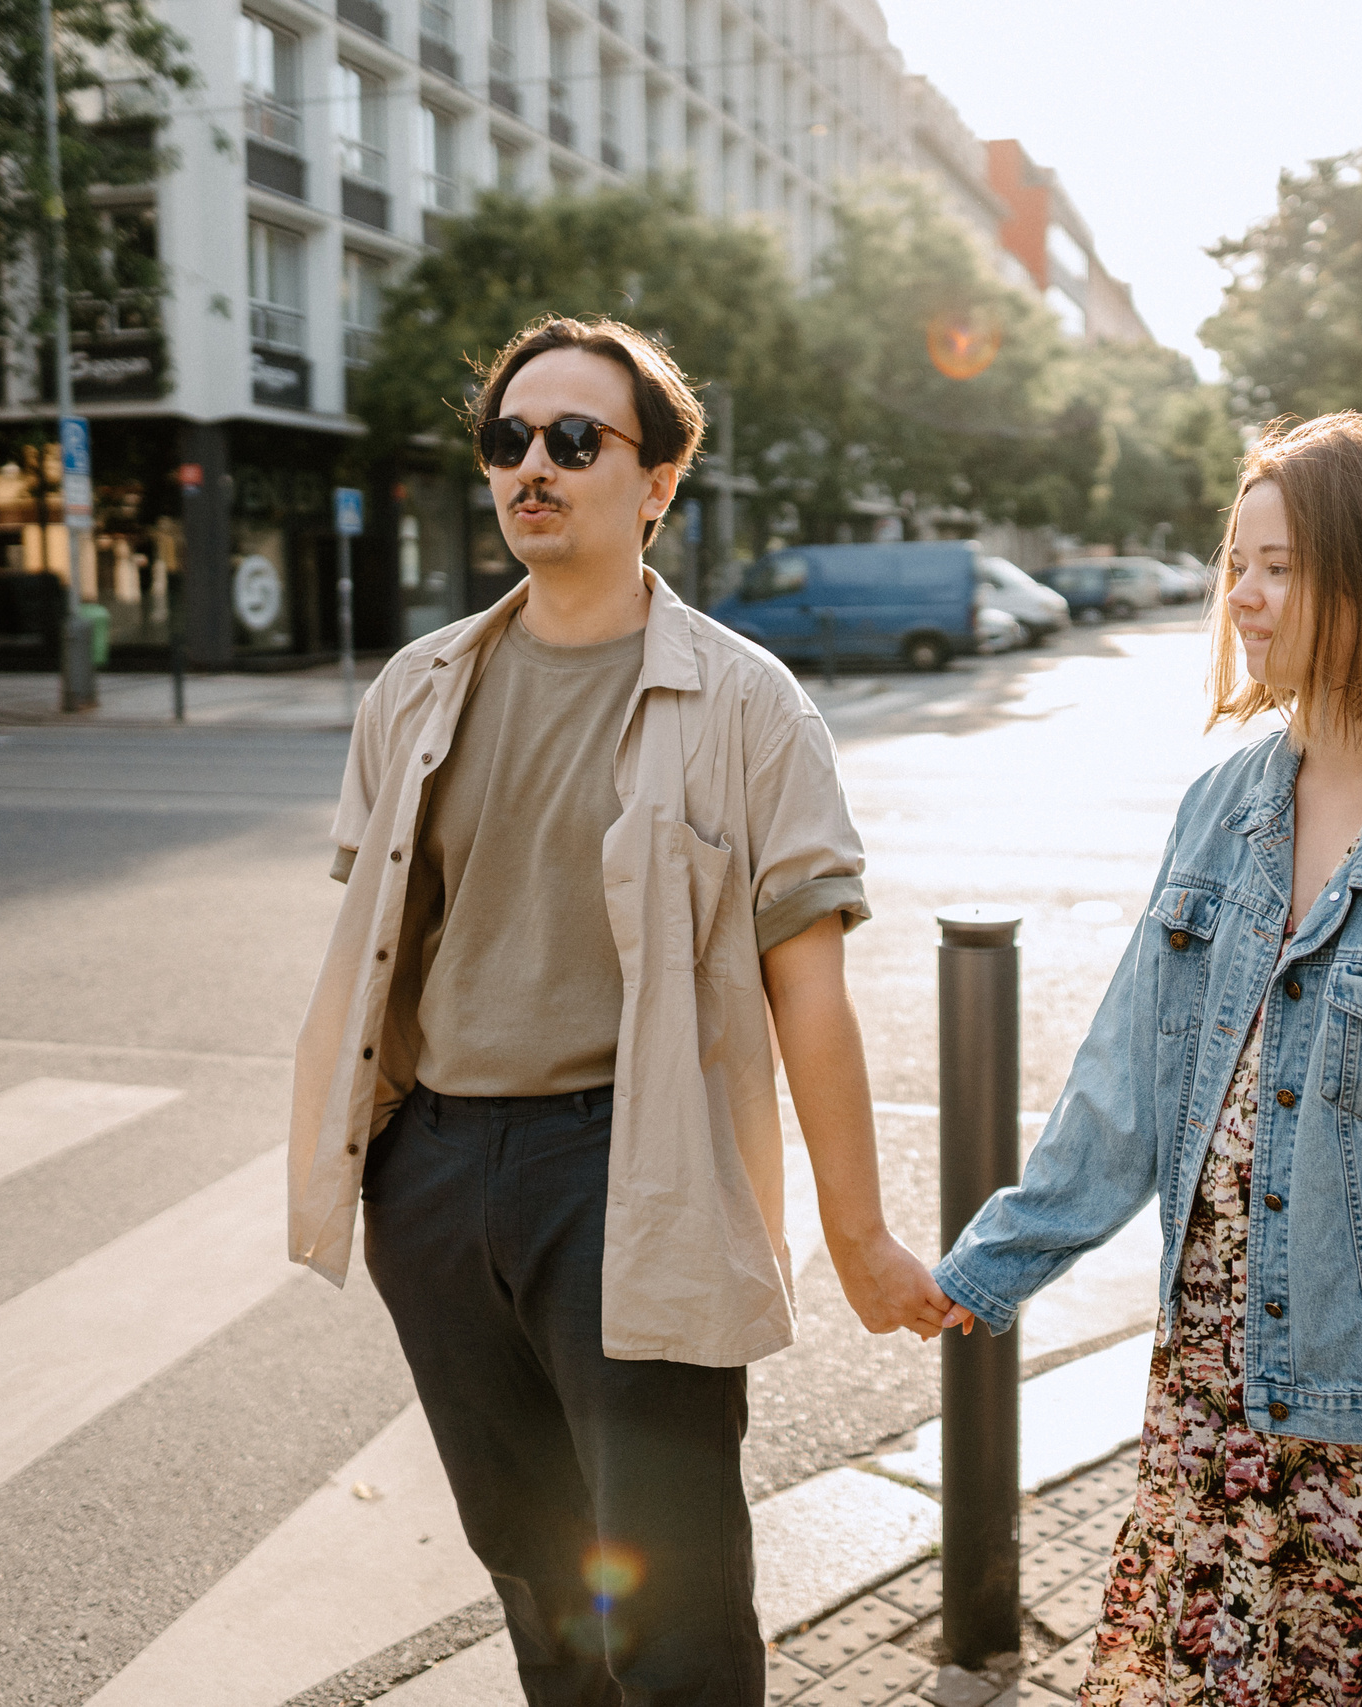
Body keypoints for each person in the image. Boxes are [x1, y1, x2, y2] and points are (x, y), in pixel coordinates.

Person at [287, 315, 950, 1702]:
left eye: (575, 438)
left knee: (675, 1603)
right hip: (438, 1178)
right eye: (508, 438)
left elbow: (809, 992)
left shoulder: (749, 704)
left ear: (656, 483)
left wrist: (859, 1233)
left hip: (629, 1171)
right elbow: (381, 944)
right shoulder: (416, 688)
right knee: (538, 1581)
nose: (533, 465)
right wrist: (386, 1164)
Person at [930, 413, 1362, 1706]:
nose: (1242, 595)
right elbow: (1130, 1072)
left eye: (1283, 567)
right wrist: (998, 1259)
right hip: (1213, 1408)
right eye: (1238, 563)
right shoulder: (1228, 803)